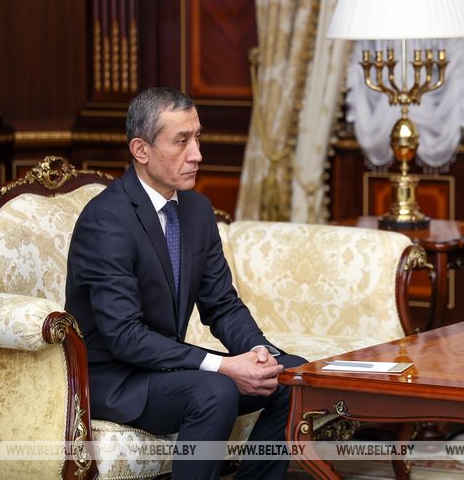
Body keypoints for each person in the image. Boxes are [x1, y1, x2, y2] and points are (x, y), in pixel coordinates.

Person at [65, 87, 305, 480]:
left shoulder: (196, 209)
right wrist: (223, 366)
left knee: (293, 375)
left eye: (197, 138)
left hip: (165, 366)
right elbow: (124, 335)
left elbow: (222, 304)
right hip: (115, 378)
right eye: (181, 141)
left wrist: (259, 354)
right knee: (215, 390)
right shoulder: (106, 220)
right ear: (141, 150)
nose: (197, 154)